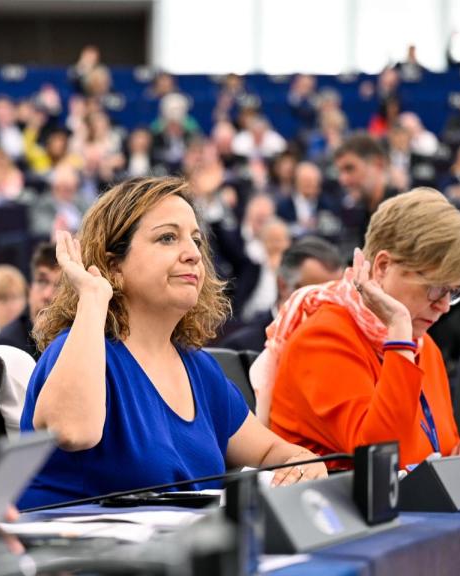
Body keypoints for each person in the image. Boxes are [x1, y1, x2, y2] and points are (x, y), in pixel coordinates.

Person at [17, 177, 326, 510]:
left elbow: (270, 452)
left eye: (196, 240)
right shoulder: (75, 350)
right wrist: (94, 296)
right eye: (167, 238)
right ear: (113, 266)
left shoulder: (202, 369)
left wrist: (303, 464)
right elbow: (71, 431)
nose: (193, 254)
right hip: (77, 558)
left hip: (177, 554)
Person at [260, 188, 460, 467]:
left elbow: (430, 451)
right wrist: (398, 330)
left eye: (453, 292)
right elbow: (381, 456)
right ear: (383, 267)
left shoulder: (423, 345)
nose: (444, 306)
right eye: (435, 289)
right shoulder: (324, 336)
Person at [0, 242, 61, 359]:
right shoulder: (9, 344)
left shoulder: (82, 341)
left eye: (60, 285)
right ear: (30, 289)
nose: (47, 295)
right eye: (42, 281)